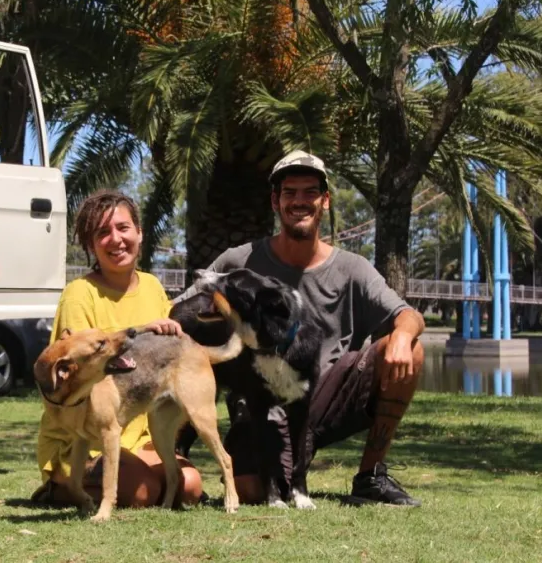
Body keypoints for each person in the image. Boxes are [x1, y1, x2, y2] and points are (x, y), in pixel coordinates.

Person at [175, 150, 426, 507]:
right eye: (289, 192)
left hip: (328, 395)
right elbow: (183, 310)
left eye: (310, 192)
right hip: (262, 404)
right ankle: (175, 456)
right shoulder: (239, 262)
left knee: (412, 348)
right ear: (275, 201)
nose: (300, 201)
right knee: (250, 492)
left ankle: (371, 477)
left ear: (325, 200)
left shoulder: (353, 269)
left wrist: (401, 335)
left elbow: (410, 316)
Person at [31, 189, 204, 509]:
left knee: (190, 487)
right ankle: (59, 485)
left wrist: (174, 338)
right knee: (143, 491)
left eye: (123, 228)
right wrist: (138, 334)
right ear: (91, 244)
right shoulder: (79, 294)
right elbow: (80, 371)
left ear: (139, 232)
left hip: (139, 435)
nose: (115, 239)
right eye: (103, 232)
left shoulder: (152, 286)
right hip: (85, 437)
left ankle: (122, 479)